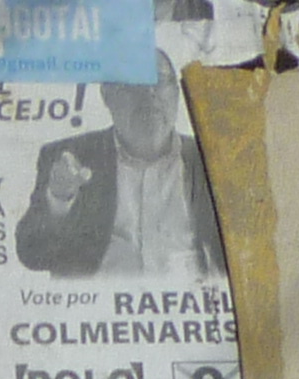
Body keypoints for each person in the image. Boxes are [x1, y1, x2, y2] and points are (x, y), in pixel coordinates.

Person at [14, 79, 225, 280]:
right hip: (99, 302)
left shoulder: (214, 160)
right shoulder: (70, 156)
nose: (149, 93)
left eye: (160, 80)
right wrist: (59, 197)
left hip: (189, 299)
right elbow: (32, 253)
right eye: (135, 83)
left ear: (177, 92)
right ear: (107, 95)